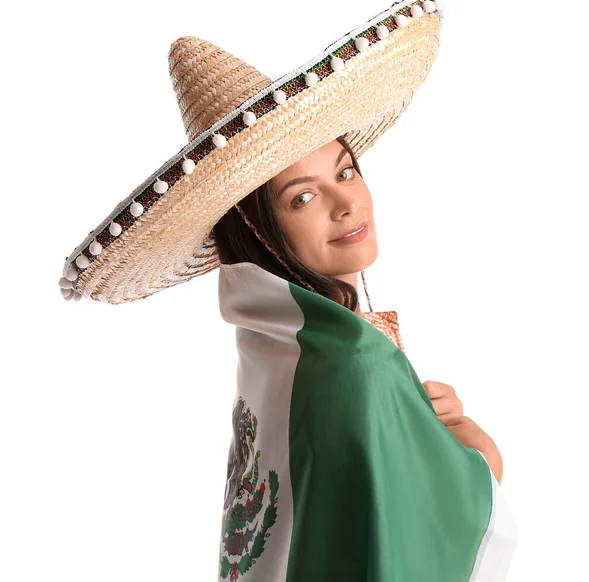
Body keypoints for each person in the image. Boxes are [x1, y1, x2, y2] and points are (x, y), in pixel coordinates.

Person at [58, 2, 518, 580]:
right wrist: (471, 447)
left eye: (345, 171)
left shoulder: (273, 347)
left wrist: (407, 428)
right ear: (253, 230)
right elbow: (438, 528)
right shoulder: (353, 361)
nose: (345, 201)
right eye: (302, 197)